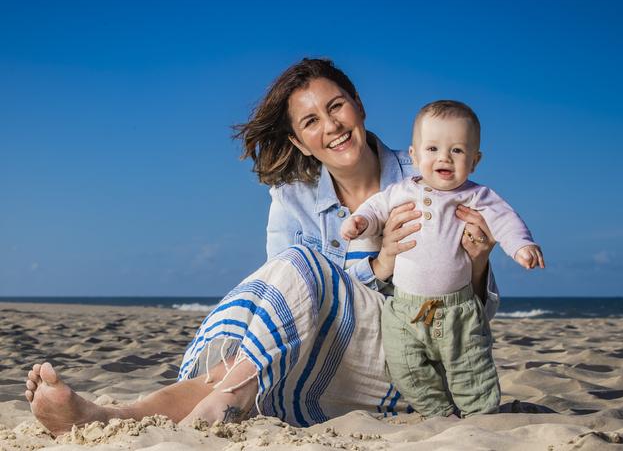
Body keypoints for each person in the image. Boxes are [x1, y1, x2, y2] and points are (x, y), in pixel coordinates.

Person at [24, 58, 499, 435]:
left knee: (298, 271)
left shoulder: (430, 175)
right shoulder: (292, 199)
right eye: (311, 120)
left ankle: (219, 403)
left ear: (359, 105)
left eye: (336, 106)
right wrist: (379, 262)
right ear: (299, 140)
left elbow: (473, 315)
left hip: (410, 362)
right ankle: (112, 419)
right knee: (257, 347)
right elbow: (292, 301)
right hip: (334, 361)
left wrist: (477, 263)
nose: (331, 126)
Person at [341, 100, 545, 418]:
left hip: (458, 310)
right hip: (404, 311)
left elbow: (505, 219)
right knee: (404, 366)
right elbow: (375, 207)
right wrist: (360, 222)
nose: (444, 158)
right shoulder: (401, 191)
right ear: (414, 155)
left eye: (458, 151)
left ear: (475, 161)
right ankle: (439, 414)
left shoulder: (475, 196)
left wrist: (521, 245)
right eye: (433, 148)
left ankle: (481, 418)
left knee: (472, 370)